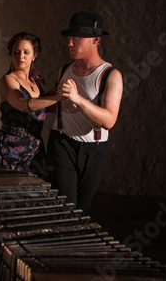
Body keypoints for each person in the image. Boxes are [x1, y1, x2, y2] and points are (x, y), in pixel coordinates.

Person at [46, 12, 123, 215]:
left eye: (77, 38)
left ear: (95, 40)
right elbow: (55, 104)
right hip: (61, 143)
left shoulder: (110, 75)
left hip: (94, 150)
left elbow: (109, 120)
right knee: (65, 208)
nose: (69, 43)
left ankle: (74, 245)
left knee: (81, 211)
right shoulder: (64, 69)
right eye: (69, 39)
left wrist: (77, 98)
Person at [0, 31, 65, 174]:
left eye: (26, 52)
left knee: (34, 193)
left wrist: (65, 92)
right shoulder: (9, 80)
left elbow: (42, 108)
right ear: (11, 55)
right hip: (10, 149)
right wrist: (60, 97)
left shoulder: (35, 82)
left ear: (35, 55)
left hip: (34, 149)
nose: (21, 56)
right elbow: (24, 104)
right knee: (7, 194)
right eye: (16, 52)